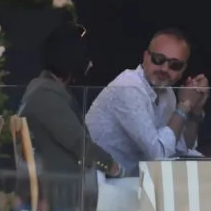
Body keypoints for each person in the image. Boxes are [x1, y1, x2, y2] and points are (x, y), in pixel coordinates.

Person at [17, 23, 123, 211]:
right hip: (62, 196)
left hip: (64, 189)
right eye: (86, 58)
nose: (91, 65)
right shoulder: (46, 95)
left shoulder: (47, 90)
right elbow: (78, 143)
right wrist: (113, 167)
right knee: (132, 203)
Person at [85, 27, 207, 171]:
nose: (164, 69)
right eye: (158, 59)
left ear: (182, 70)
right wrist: (184, 105)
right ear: (145, 57)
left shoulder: (167, 92)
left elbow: (181, 148)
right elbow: (158, 155)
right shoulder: (128, 86)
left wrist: (194, 109)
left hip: (133, 180)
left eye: (175, 65)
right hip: (100, 179)